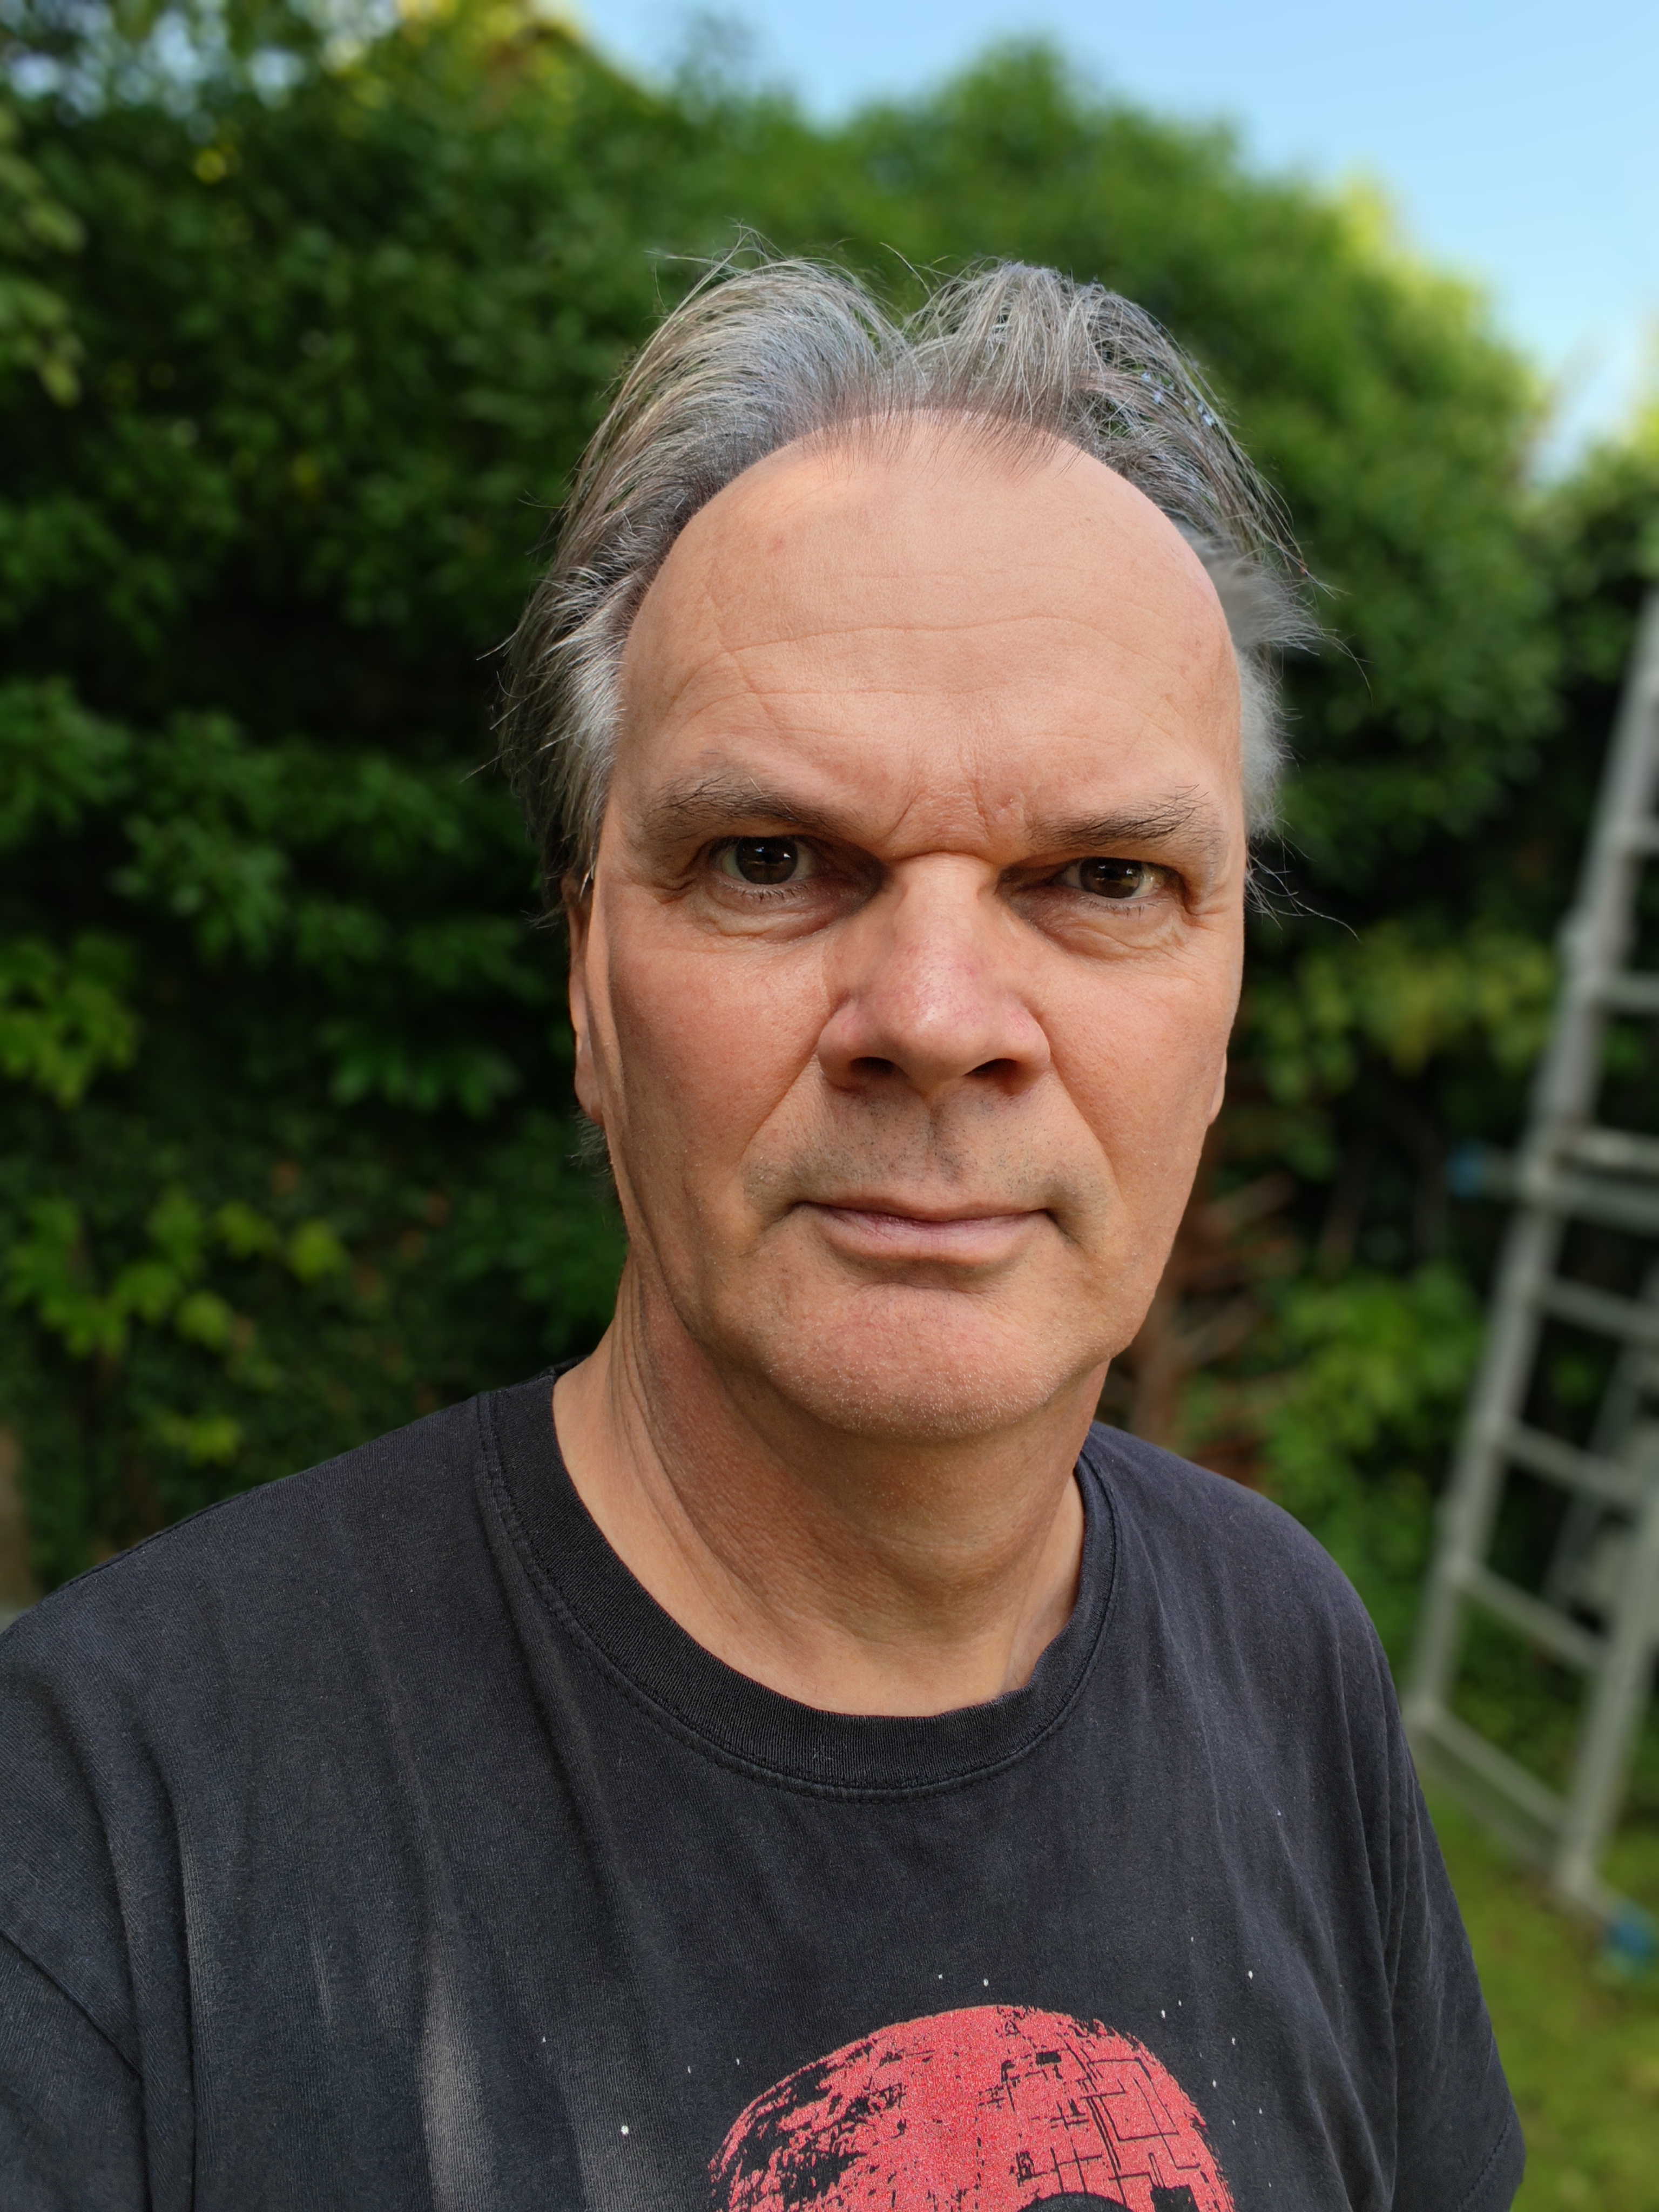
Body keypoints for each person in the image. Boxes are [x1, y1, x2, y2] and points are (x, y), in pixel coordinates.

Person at [0, 258, 1521, 2212]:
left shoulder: (1294, 1654)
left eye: (1102, 877)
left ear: (1222, 1013)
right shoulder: (104, 1842)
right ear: (588, 989)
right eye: (773, 860)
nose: (939, 1019)